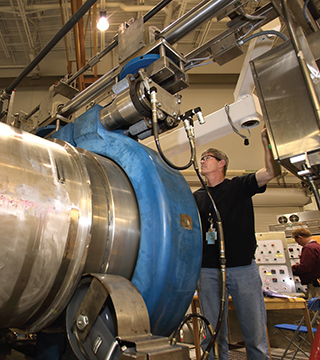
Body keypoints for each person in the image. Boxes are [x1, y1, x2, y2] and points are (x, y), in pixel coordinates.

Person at [193, 128, 281, 360]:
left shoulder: (239, 186)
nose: (202, 161)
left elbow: (272, 171)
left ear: (222, 163)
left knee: (254, 333)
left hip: (242, 269)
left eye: (207, 157)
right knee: (212, 334)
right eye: (201, 158)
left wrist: (266, 142)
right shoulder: (197, 197)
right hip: (208, 271)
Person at [291, 228, 320, 300]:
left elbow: (305, 267)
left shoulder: (308, 248)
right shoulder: (317, 246)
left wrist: (292, 267)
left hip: (314, 284)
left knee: (314, 306)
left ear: (300, 237)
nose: (298, 244)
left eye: (297, 241)